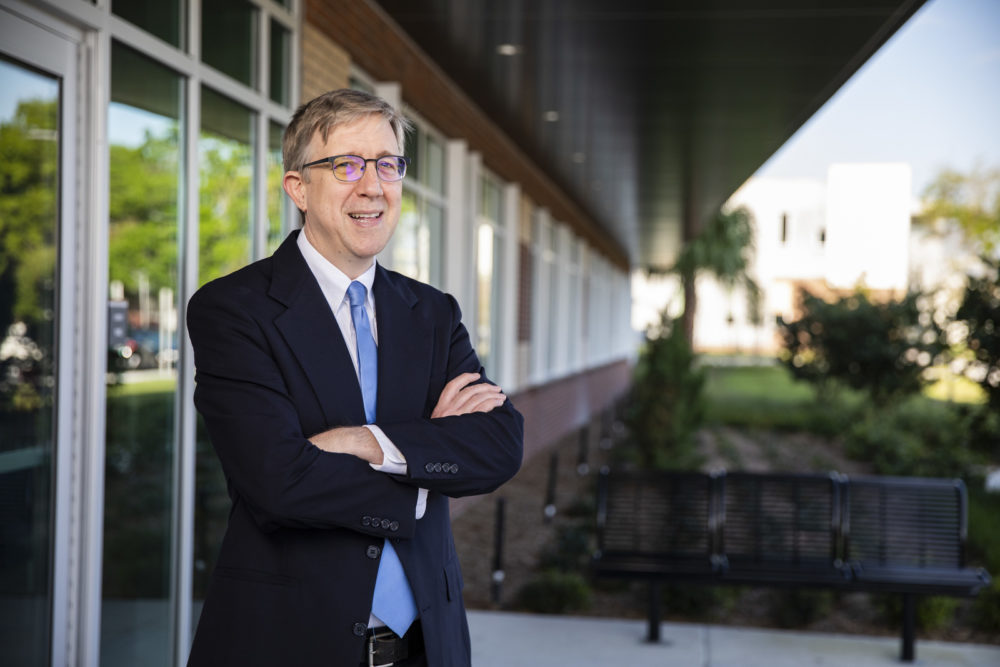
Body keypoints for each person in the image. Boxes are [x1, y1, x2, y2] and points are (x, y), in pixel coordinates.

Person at [186, 88, 524, 667]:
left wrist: (361, 442)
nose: (372, 186)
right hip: (289, 645)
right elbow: (278, 482)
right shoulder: (234, 310)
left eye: (388, 165)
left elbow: (499, 446)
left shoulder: (433, 314)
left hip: (427, 647)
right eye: (346, 165)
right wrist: (425, 453)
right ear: (298, 187)